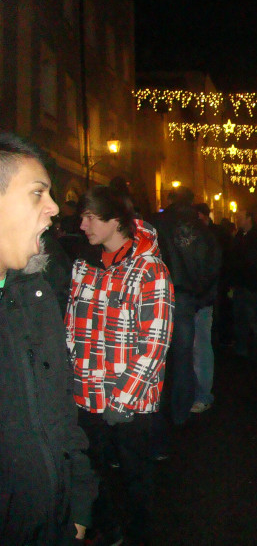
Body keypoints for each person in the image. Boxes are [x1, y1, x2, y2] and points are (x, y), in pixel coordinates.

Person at [0, 133, 97, 545]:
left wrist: (79, 503)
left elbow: (59, 407)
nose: (55, 208)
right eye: (38, 192)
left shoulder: (34, 294)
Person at [66, 185, 174, 545]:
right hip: (86, 394)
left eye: (90, 217)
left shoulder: (149, 269)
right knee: (89, 473)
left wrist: (122, 399)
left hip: (130, 402)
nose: (82, 225)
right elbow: (72, 327)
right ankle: (108, 530)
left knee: (134, 477)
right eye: (82, 217)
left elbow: (154, 343)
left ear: (116, 220)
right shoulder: (84, 264)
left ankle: (140, 535)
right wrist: (68, 380)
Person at [150, 187, 219, 455]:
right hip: (186, 297)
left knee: (157, 356)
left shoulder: (158, 224)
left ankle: (155, 411)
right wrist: (199, 293)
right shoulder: (201, 229)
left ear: (170, 200)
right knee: (183, 354)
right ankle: (180, 411)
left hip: (158, 294)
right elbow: (212, 263)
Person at [189, 202, 223, 413]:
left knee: (200, 347)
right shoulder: (205, 237)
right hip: (199, 298)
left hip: (200, 300)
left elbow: (209, 271)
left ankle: (203, 394)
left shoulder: (206, 239)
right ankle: (199, 392)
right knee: (198, 347)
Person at [228, 210, 257, 363]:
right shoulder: (240, 236)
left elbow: (255, 262)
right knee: (240, 318)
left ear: (249, 218)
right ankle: (242, 348)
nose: (238, 220)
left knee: (255, 318)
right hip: (241, 284)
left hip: (252, 285)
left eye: (240, 217)